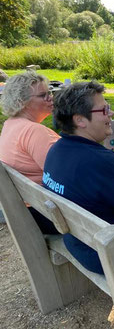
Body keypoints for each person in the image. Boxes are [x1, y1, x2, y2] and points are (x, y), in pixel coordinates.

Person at [43, 81, 114, 274]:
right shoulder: (100, 162)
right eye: (104, 110)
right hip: (111, 252)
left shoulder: (57, 150)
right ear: (80, 120)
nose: (110, 114)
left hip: (79, 242)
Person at [0, 71, 60, 233]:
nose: (50, 98)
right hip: (50, 215)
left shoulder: (11, 124)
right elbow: (64, 177)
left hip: (31, 210)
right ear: (22, 102)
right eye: (43, 95)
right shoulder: (34, 131)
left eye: (50, 93)